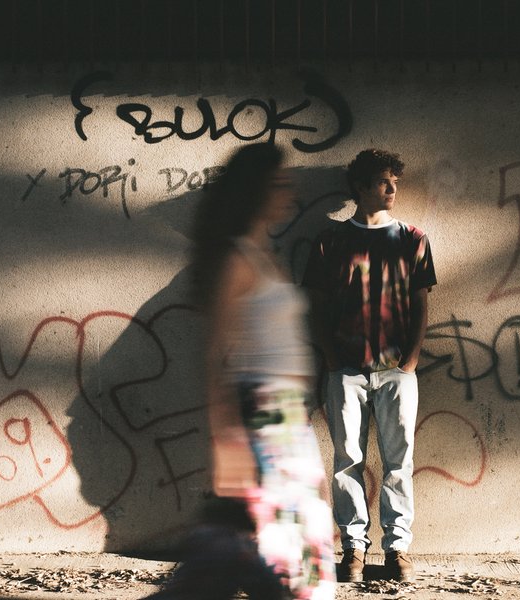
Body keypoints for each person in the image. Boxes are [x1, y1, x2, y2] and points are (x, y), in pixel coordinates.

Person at [187, 143, 336, 599]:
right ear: (253, 192)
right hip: (262, 413)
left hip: (287, 416)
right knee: (291, 557)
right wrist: (228, 445)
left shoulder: (264, 252)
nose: (287, 191)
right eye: (278, 184)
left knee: (295, 547)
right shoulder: (238, 259)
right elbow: (218, 359)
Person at [302, 149, 437, 583]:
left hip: (398, 371)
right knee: (347, 461)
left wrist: (410, 361)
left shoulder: (413, 238)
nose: (392, 188)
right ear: (359, 187)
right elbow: (315, 306)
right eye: (383, 181)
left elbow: (420, 304)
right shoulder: (330, 240)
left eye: (395, 181)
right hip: (346, 370)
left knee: (399, 461)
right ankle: (354, 552)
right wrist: (331, 357)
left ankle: (397, 550)